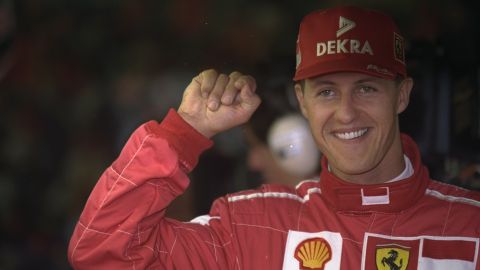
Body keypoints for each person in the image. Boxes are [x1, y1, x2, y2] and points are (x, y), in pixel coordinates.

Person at [68, 6, 480, 269]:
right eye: (326, 92)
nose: (347, 111)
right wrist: (183, 133)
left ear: (402, 94)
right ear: (302, 102)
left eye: (367, 88)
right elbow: (102, 253)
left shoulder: (471, 226)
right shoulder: (249, 226)